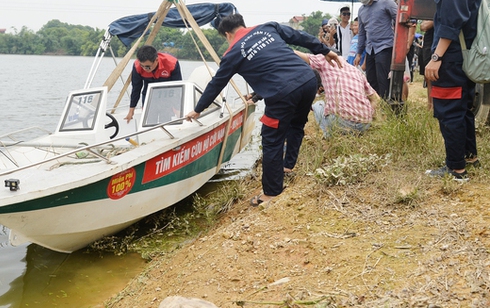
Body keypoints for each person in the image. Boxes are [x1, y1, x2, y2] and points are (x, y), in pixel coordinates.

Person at [185, 14, 341, 206]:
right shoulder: (268, 27)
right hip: (308, 80)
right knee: (296, 125)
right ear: (242, 24)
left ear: (227, 34)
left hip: (282, 93)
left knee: (271, 139)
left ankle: (271, 193)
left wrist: (198, 109)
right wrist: (325, 50)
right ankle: (287, 166)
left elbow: (217, 83)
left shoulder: (232, 53)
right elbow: (299, 37)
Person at [415, 0, 490, 181]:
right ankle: (469, 156)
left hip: (452, 54)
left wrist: (435, 58)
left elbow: (452, 21)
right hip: (471, 51)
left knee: (448, 109)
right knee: (463, 107)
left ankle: (456, 169)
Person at [294, 51, 378, 135]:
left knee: (318, 105)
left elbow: (301, 56)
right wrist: (369, 114)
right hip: (364, 125)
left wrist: (281, 46)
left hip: (341, 124)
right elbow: (376, 99)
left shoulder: (325, 60)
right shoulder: (356, 71)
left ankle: (329, 136)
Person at [351, 0, 398, 98]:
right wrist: (359, 53)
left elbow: (400, 21)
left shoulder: (386, 2)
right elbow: (362, 33)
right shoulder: (361, 10)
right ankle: (377, 107)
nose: (362, 0)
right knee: (371, 80)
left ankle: (387, 107)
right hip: (370, 49)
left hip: (385, 47)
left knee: (384, 80)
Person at [125, 45, 182, 123]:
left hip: (167, 94)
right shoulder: (137, 66)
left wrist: (177, 109)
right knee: (149, 121)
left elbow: (177, 88)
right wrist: (131, 110)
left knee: (165, 120)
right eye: (142, 66)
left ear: (156, 60)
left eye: (148, 67)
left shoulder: (172, 63)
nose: (145, 69)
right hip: (149, 93)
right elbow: (136, 89)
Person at [417, 0, 441, 110]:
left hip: (435, 47)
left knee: (433, 77)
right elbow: (422, 26)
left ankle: (433, 106)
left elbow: (425, 26)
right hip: (428, 46)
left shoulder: (441, 9)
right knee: (428, 77)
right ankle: (430, 105)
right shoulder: (433, 11)